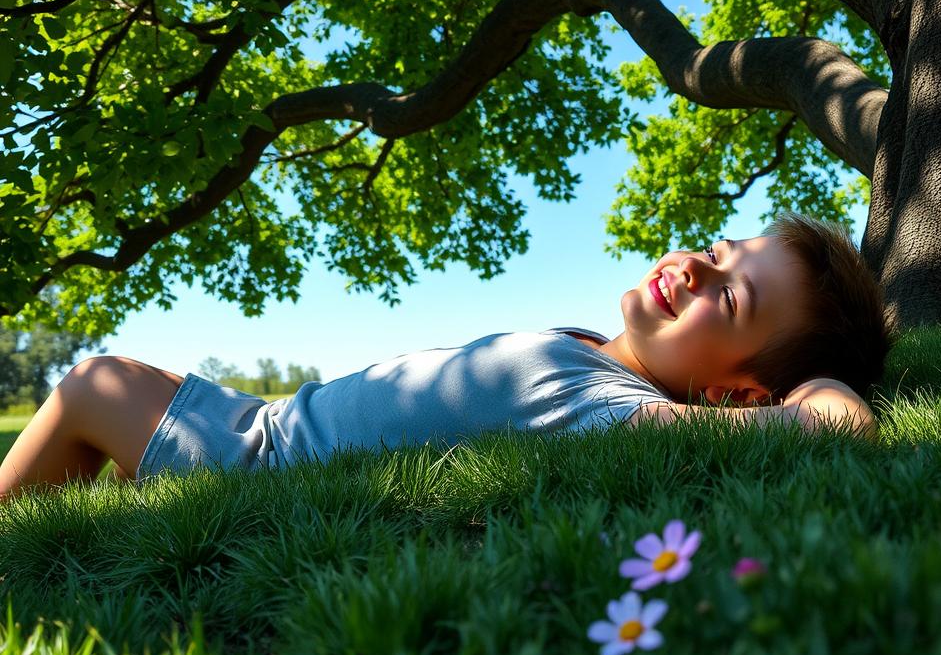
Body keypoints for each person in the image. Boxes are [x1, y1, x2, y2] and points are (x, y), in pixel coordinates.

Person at [0, 212, 891, 502]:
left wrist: (819, 387)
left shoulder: (602, 403)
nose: (697, 266)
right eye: (722, 250)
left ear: (737, 397)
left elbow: (831, 426)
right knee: (102, 438)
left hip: (264, 456)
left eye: (729, 297)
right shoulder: (592, 353)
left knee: (92, 379)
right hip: (266, 423)